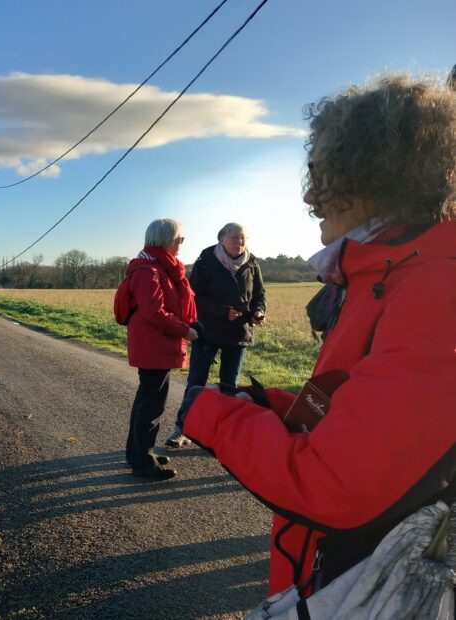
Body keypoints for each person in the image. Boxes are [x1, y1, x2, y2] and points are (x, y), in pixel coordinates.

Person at [181, 75, 456, 597]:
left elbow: (337, 483)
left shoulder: (436, 287)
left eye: (325, 173)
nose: (310, 193)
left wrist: (213, 416)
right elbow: (349, 401)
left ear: (381, 172)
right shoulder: (384, 276)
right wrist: (274, 406)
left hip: (365, 585)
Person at [166, 223, 266, 448]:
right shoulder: (206, 260)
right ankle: (182, 429)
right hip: (208, 331)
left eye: (243, 238)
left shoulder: (252, 262)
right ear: (221, 239)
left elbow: (260, 293)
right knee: (196, 383)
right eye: (234, 237)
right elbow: (195, 296)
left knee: (229, 386)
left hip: (239, 333)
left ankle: (220, 434)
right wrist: (222, 312)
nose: (239, 242)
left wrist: (259, 312)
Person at [123, 218, 199, 481]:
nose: (181, 243)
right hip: (153, 343)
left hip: (156, 343)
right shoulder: (149, 271)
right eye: (179, 238)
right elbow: (154, 313)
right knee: (152, 403)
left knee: (147, 399)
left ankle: (137, 453)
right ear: (166, 240)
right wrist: (184, 330)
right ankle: (143, 461)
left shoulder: (157, 267)